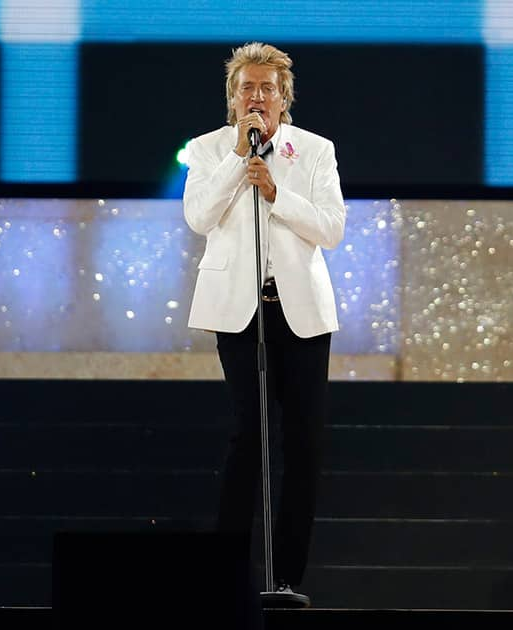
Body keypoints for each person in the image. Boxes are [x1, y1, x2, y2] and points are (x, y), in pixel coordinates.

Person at [183, 42, 346, 606]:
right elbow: (199, 216)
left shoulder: (315, 151)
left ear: (284, 98)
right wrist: (237, 160)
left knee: (303, 443)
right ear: (233, 98)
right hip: (239, 312)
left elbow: (331, 228)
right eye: (247, 87)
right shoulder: (206, 151)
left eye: (267, 89)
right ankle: (227, 576)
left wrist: (278, 194)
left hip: (300, 313)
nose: (257, 97)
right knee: (246, 438)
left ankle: (287, 579)